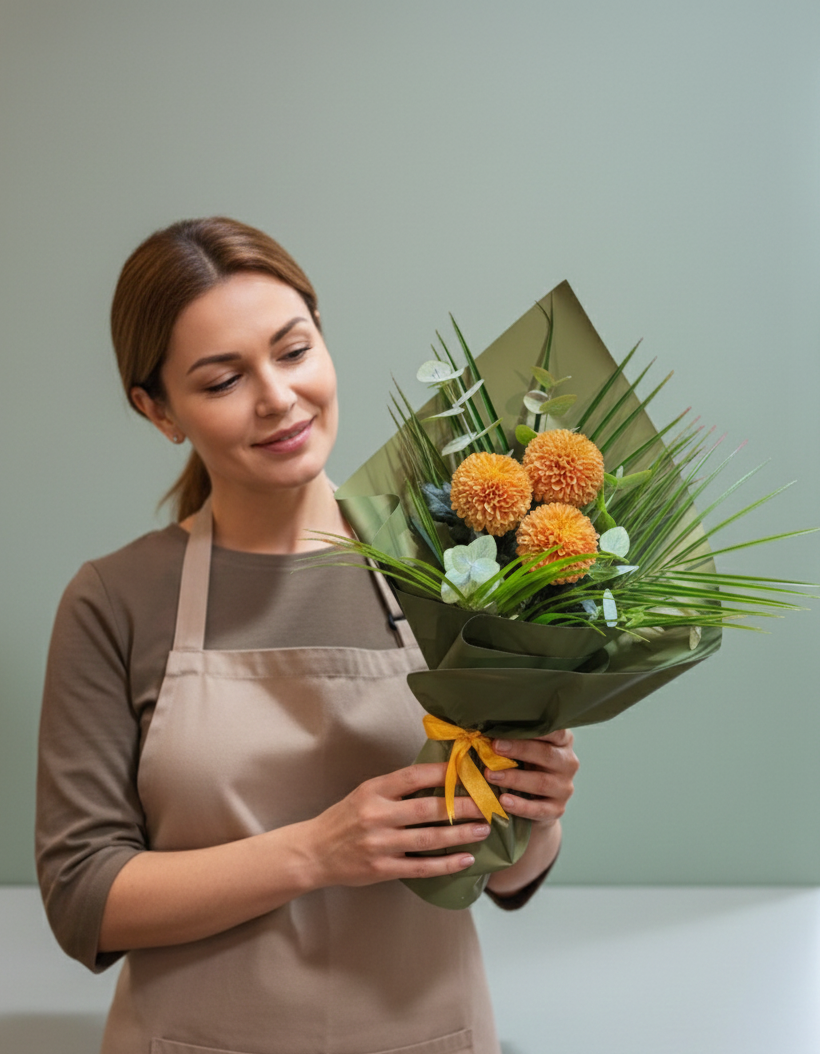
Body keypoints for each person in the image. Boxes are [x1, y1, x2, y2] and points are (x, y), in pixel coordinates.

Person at [36, 217, 580, 1054]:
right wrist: (319, 852)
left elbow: (503, 875)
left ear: (323, 340)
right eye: (222, 381)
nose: (278, 398)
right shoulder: (117, 598)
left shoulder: (457, 560)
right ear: (158, 410)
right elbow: (83, 896)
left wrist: (537, 814)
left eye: (293, 352)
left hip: (432, 1034)